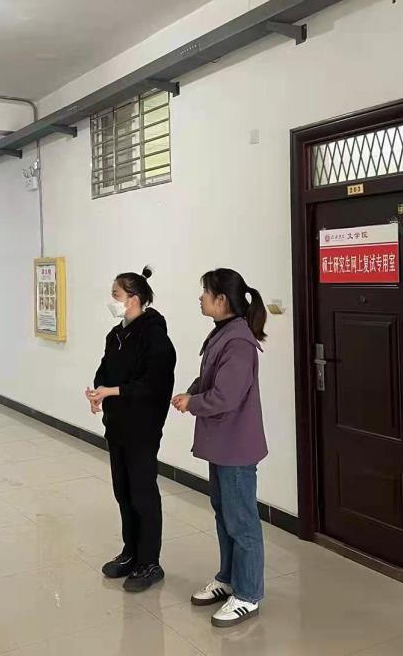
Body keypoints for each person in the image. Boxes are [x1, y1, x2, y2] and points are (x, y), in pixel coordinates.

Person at [171, 268, 269, 629]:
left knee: (242, 521)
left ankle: (248, 594)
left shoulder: (239, 342)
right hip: (222, 445)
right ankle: (228, 578)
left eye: (205, 292)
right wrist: (192, 392)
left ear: (222, 299)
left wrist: (193, 403)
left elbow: (226, 395)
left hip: (236, 448)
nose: (201, 298)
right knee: (225, 514)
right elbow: (211, 377)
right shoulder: (223, 332)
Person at [86, 267, 177, 593]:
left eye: (116, 295)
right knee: (122, 491)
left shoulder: (155, 338)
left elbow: (153, 384)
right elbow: (104, 369)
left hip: (143, 428)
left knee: (142, 493)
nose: (112, 300)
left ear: (134, 299)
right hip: (117, 426)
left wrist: (114, 391)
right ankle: (131, 552)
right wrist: (98, 392)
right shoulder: (116, 335)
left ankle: (150, 561)